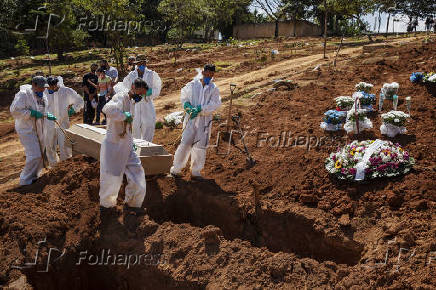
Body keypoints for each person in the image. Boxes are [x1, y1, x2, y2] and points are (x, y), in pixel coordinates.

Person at [99, 78, 147, 211]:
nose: (140, 96)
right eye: (139, 92)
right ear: (132, 87)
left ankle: (133, 204)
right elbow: (107, 109)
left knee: (138, 175)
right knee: (112, 179)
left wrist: (131, 141)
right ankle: (107, 207)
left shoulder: (132, 102)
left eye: (142, 94)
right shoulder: (120, 97)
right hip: (114, 146)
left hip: (127, 146)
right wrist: (123, 115)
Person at [169, 64, 221, 180]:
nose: (208, 76)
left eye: (211, 75)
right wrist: (187, 107)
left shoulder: (214, 88)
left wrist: (200, 109)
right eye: (207, 74)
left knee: (200, 145)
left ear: (213, 75)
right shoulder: (192, 85)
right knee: (185, 143)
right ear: (203, 72)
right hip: (191, 120)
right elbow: (184, 97)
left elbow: (215, 104)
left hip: (204, 121)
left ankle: (196, 171)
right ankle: (176, 169)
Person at [10, 76, 57, 185]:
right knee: (34, 155)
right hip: (26, 129)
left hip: (39, 128)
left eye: (44, 87)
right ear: (34, 85)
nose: (43, 90)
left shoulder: (43, 96)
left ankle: (34, 176)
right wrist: (31, 113)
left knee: (40, 154)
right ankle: (25, 181)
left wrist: (47, 115)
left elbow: (42, 110)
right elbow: (15, 110)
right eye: (40, 87)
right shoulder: (24, 94)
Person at [119, 54, 162, 142]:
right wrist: (132, 93)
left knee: (148, 125)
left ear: (146, 63)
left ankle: (147, 147)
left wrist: (147, 92)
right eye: (140, 63)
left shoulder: (152, 74)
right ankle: (135, 148)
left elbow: (157, 88)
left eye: (143, 63)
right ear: (136, 64)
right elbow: (124, 87)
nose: (142, 65)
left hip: (147, 103)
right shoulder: (131, 75)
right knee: (135, 127)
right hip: (135, 104)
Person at [44, 76, 84, 166]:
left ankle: (66, 165)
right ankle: (54, 166)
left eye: (53, 86)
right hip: (49, 123)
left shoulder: (66, 91)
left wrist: (73, 109)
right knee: (50, 145)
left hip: (63, 123)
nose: (51, 88)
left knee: (64, 145)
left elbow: (80, 100)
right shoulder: (44, 93)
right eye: (49, 87)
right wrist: (45, 114)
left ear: (56, 85)